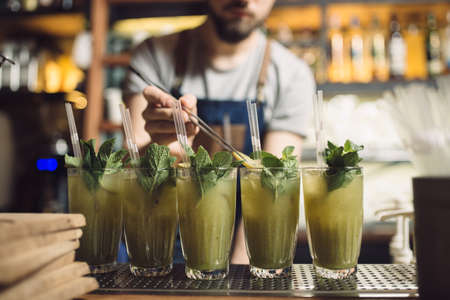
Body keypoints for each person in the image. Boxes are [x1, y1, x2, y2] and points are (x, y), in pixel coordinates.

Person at [123, 0, 315, 264]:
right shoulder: (154, 55)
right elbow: (130, 175)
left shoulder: (292, 74)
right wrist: (160, 147)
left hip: (244, 256)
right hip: (161, 251)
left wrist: (237, 281)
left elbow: (272, 188)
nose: (244, 1)